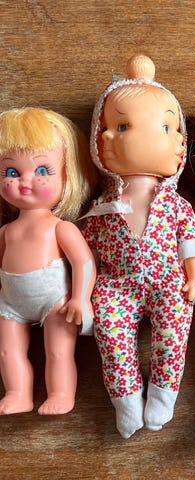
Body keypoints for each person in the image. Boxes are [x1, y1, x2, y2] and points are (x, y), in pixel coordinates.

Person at [83, 54, 195, 439]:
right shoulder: (102, 206)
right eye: (120, 126)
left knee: (174, 332)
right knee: (109, 330)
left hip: (169, 281)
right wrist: (82, 291)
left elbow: (190, 243)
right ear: (101, 140)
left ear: (180, 144)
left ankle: (164, 395)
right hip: (115, 285)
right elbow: (85, 253)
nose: (150, 138)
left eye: (168, 127)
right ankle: (126, 399)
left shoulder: (176, 204)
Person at [0, 107, 97, 415]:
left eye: (42, 170)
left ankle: (61, 394)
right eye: (11, 172)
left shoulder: (60, 227)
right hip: (10, 301)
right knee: (7, 351)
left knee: (58, 352)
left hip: (55, 300)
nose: (25, 181)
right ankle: (18, 393)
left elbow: (84, 262)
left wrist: (80, 298)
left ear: (69, 175)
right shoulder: (6, 231)